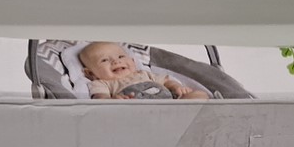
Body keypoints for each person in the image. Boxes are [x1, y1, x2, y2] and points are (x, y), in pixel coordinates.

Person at [78, 42, 209, 100]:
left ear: (133, 62)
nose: (116, 62)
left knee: (200, 94)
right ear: (90, 73)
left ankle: (185, 113)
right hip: (140, 112)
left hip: (171, 104)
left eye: (121, 57)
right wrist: (113, 100)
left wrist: (177, 87)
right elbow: (101, 98)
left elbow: (166, 81)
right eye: (105, 60)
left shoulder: (144, 74)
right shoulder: (103, 83)